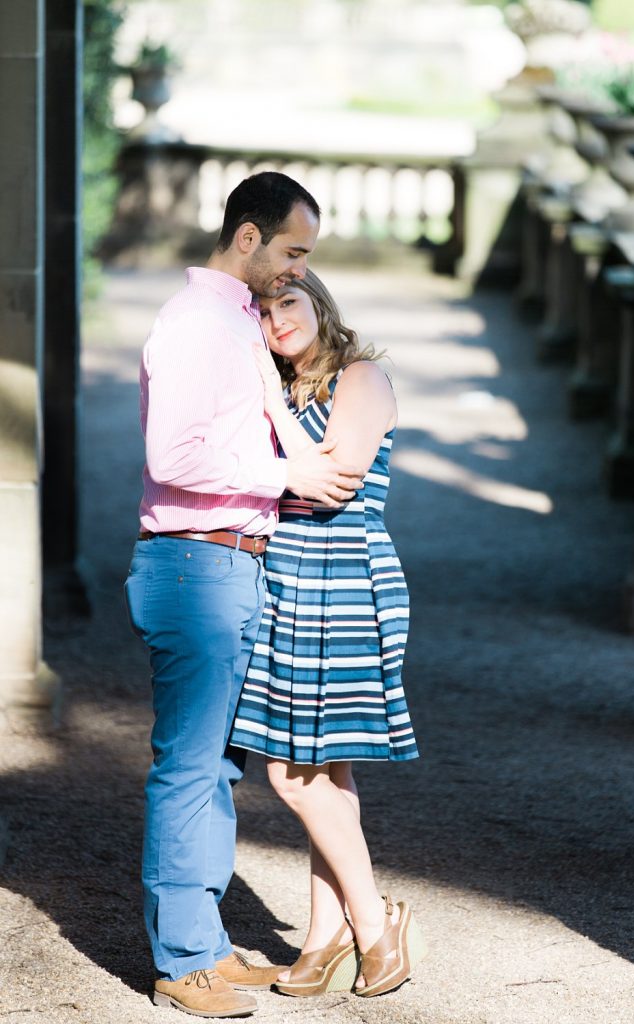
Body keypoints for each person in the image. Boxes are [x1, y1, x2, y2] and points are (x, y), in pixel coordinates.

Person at [124, 172, 366, 1019]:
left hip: (225, 563)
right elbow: (173, 458)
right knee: (188, 764)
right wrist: (286, 472)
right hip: (194, 565)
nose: (296, 270)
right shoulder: (197, 325)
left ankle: (204, 943)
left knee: (212, 768)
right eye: (292, 250)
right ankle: (183, 961)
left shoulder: (231, 324)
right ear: (248, 237)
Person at [230, 269, 426, 999]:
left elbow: (334, 481)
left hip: (344, 581)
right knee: (325, 770)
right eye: (263, 310)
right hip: (287, 577)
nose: (278, 320)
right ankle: (324, 934)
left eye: (289, 302)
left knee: (289, 772)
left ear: (318, 303)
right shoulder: (281, 391)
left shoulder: (361, 377)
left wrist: (258, 453)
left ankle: (375, 924)